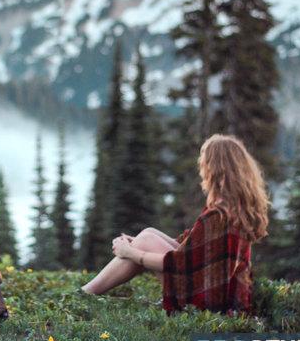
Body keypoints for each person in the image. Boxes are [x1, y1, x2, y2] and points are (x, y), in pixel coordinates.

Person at [81, 134, 270, 315]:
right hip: (224, 294)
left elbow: (180, 264)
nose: (201, 168)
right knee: (147, 233)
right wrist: (138, 242)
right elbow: (194, 250)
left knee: (145, 240)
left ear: (215, 168)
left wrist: (130, 252)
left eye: (204, 162)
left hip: (208, 303)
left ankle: (84, 294)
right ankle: (87, 291)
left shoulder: (218, 215)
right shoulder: (236, 208)